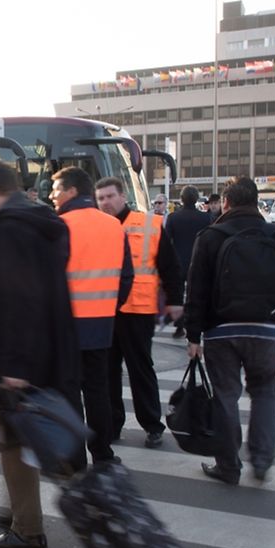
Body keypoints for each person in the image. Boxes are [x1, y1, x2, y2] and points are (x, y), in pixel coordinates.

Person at [0, 162, 80, 548]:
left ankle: (27, 528)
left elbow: (20, 301)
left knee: (16, 441)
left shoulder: (11, 228)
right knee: (12, 436)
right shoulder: (38, 221)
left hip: (18, 357)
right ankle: (15, 511)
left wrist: (14, 366)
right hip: (44, 350)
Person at [184, 177, 275, 485]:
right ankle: (262, 460)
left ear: (225, 202)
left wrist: (193, 336)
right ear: (256, 202)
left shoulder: (210, 237)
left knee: (226, 396)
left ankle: (228, 465)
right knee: (266, 394)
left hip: (220, 333)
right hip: (264, 331)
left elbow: (196, 291)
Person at [50, 168, 132, 466]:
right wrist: (109, 306)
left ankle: (75, 459)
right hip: (101, 325)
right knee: (99, 392)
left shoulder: (60, 226)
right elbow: (126, 278)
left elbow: (51, 281)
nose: (52, 195)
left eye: (56, 189)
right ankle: (103, 454)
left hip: (67, 327)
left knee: (69, 395)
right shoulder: (114, 226)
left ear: (71, 191)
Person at [95, 177, 184, 450]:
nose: (106, 202)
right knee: (108, 371)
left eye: (110, 196)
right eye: (100, 198)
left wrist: (176, 301)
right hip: (105, 310)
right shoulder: (97, 227)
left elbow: (170, 267)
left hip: (138, 309)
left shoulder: (149, 224)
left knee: (140, 369)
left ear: (123, 197)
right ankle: (112, 424)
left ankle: (152, 425)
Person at [164, 185, 212, 339]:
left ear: (182, 199)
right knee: (195, 295)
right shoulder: (206, 218)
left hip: (178, 263)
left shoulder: (173, 217)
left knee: (177, 295)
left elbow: (166, 242)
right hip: (198, 262)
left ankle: (179, 327)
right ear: (196, 199)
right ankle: (195, 326)